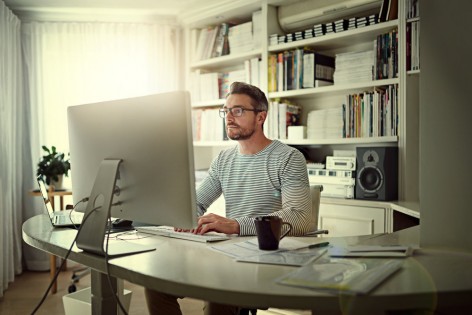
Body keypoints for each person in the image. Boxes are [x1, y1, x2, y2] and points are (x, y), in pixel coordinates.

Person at [145, 82, 314, 315]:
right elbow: (195, 202)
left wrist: (235, 225)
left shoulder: (288, 158)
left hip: (265, 256)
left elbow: (299, 216)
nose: (229, 118)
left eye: (238, 110)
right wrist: (186, 217)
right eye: (226, 111)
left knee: (218, 295)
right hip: (227, 251)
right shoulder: (224, 160)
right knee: (156, 282)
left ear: (260, 117)